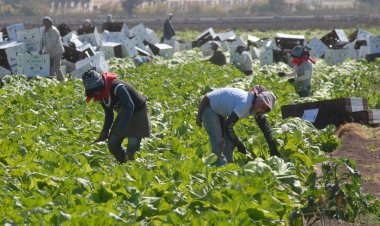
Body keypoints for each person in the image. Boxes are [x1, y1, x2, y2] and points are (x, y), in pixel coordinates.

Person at [196, 85, 280, 166]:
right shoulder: (245, 104)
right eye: (262, 106)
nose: (261, 110)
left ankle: (229, 166)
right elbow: (228, 126)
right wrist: (240, 145)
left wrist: (273, 147)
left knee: (229, 144)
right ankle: (220, 168)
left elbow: (265, 128)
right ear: (258, 99)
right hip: (208, 106)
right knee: (218, 141)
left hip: (220, 110)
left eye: (264, 109)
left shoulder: (256, 107)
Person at [81, 68, 151, 163]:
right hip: (124, 112)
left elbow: (130, 106)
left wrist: (121, 127)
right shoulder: (99, 95)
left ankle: (132, 166)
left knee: (132, 146)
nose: (96, 92)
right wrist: (105, 130)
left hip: (138, 111)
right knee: (112, 144)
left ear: (100, 84)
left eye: (97, 89)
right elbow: (109, 113)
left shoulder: (117, 87)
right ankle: (123, 163)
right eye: (92, 91)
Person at [40, 16, 65, 82]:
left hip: (57, 51)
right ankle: (53, 80)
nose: (46, 24)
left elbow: (51, 44)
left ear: (50, 23)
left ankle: (62, 80)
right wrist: (40, 49)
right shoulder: (44, 30)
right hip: (50, 52)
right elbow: (42, 40)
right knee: (49, 67)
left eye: (47, 23)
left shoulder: (53, 30)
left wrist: (45, 52)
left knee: (56, 67)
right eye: (44, 23)